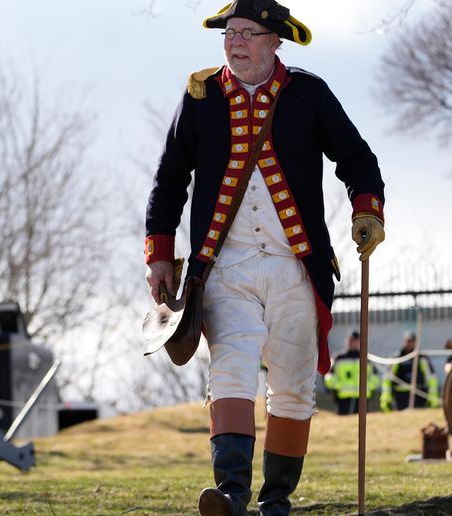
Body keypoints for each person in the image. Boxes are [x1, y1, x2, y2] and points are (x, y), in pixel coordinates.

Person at [143, 1, 385, 514]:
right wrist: (159, 254)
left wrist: (367, 210)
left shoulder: (309, 94)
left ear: (276, 42)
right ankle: (230, 493)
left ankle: (277, 499)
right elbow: (169, 179)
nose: (235, 42)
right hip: (225, 266)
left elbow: (357, 159)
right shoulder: (201, 97)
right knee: (229, 369)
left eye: (248, 33)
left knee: (293, 385)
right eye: (230, 33)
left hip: (295, 267)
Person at [380, 332, 439, 412]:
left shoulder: (422, 358)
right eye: (407, 341)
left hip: (418, 396)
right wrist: (386, 399)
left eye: (411, 341)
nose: (409, 343)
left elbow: (432, 379)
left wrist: (433, 400)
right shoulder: (396, 358)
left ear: (415, 342)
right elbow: (387, 379)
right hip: (400, 398)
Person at [323, 331, 379, 415]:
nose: (351, 342)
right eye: (350, 340)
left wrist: (366, 388)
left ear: (359, 342)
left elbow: (375, 378)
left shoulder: (366, 359)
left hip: (362, 399)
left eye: (354, 340)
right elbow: (328, 377)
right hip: (343, 398)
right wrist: (340, 386)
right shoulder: (338, 358)